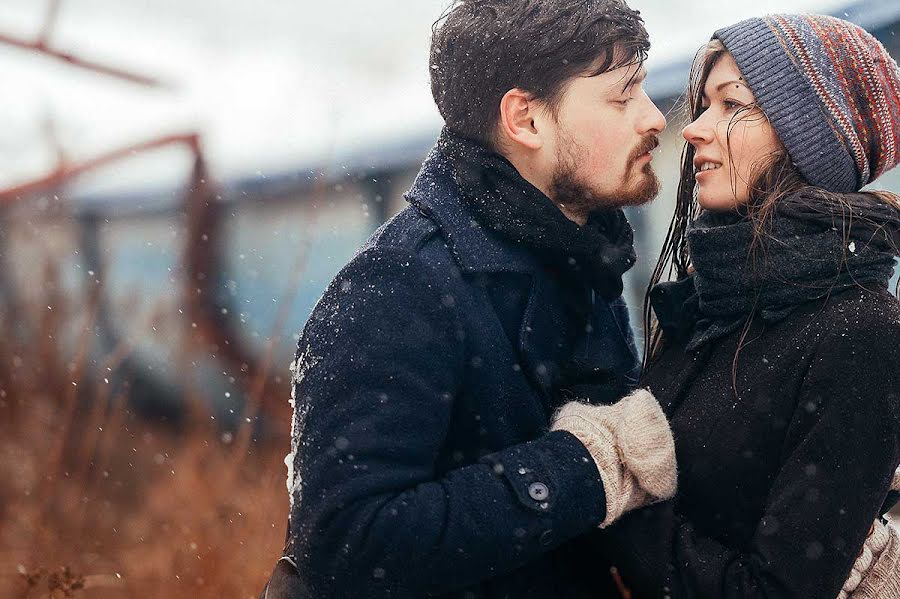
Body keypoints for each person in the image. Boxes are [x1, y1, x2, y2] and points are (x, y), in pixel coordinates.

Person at [259, 1, 678, 597]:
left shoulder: (584, 252)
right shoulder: (394, 289)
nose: (654, 118)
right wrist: (582, 468)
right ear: (525, 120)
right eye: (622, 96)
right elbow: (347, 545)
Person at [601, 14, 900, 598]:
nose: (693, 130)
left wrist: (612, 499)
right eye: (703, 104)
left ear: (809, 141)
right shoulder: (707, 305)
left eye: (733, 105)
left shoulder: (863, 335)